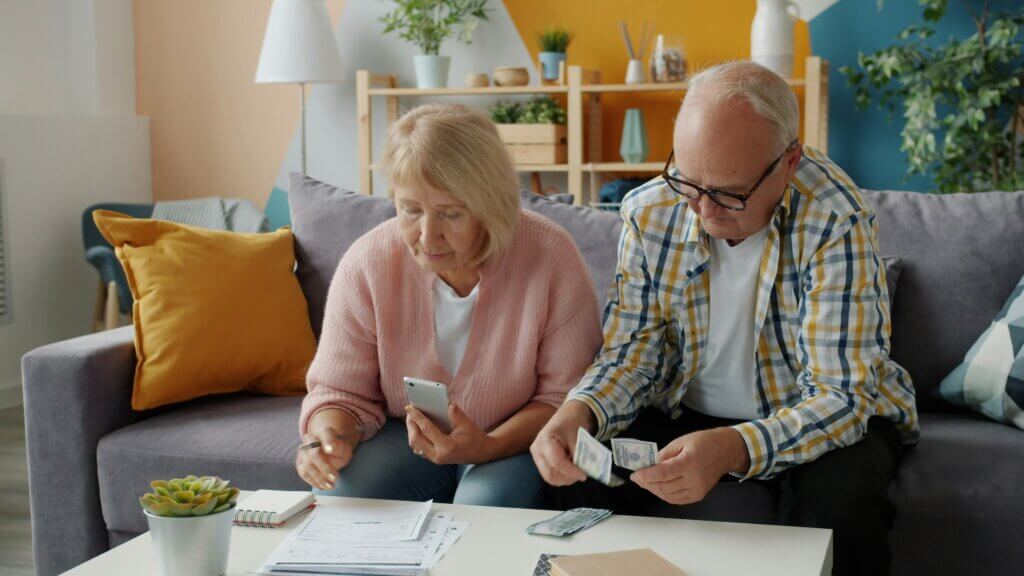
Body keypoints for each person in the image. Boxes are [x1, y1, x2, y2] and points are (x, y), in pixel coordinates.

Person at [530, 61, 919, 575]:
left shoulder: (834, 219)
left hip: (821, 413)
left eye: (730, 194)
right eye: (689, 184)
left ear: (789, 160)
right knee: (575, 476)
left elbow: (841, 397)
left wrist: (733, 448)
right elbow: (631, 355)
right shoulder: (649, 211)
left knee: (840, 507)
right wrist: (578, 412)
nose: (704, 212)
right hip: (682, 408)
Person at [295, 103, 602, 508]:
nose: (427, 236)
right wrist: (327, 438)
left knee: (482, 508)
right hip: (407, 439)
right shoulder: (368, 261)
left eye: (450, 214)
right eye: (411, 210)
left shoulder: (551, 255)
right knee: (341, 496)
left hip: (512, 440)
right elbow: (339, 391)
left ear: (490, 204)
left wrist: (487, 446)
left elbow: (565, 399)